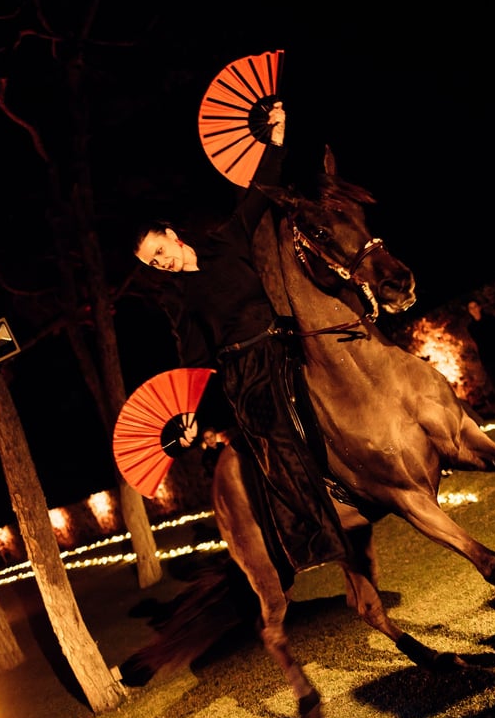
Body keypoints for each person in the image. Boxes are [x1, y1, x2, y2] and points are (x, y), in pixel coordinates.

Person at [130, 102, 348, 580]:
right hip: (245, 370)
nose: (161, 263)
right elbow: (194, 360)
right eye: (153, 263)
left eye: (160, 251)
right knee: (272, 437)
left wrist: (276, 138)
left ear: (171, 235)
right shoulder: (181, 302)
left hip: (283, 340)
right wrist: (187, 416)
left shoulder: (227, 239)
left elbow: (258, 194)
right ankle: (315, 536)